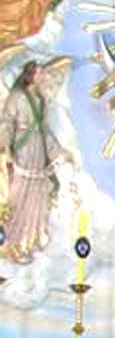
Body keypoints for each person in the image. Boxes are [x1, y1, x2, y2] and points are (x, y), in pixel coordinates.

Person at [0, 61, 67, 263]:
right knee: (19, 194)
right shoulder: (17, 97)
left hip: (38, 152)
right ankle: (11, 242)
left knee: (37, 194)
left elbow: (45, 132)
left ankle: (28, 241)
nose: (42, 77)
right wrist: (5, 147)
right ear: (31, 75)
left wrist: (59, 152)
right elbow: (6, 123)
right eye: (40, 74)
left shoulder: (41, 101)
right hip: (23, 150)